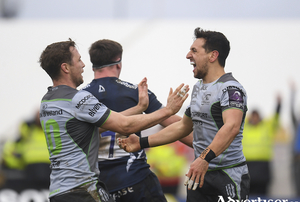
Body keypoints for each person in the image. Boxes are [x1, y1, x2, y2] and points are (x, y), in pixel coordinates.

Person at [38, 39, 188, 202]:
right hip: (83, 190)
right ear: (65, 68)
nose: (83, 65)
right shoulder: (78, 99)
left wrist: (138, 108)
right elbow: (125, 125)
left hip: (58, 191)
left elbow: (91, 129)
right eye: (78, 60)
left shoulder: (47, 102)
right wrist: (168, 110)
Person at [118, 27, 250, 202]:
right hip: (199, 174)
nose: (188, 55)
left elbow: (231, 127)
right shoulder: (198, 88)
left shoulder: (231, 89)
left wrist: (204, 158)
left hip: (227, 174)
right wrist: (141, 142)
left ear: (213, 56)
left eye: (194, 51)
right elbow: (182, 127)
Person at [83, 39, 193, 202]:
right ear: (118, 63)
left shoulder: (80, 98)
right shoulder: (137, 92)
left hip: (99, 187)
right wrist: (211, 147)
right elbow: (176, 125)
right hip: (136, 180)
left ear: (93, 65)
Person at [1, 110, 51, 192]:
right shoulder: (27, 132)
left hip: (49, 168)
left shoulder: (54, 132)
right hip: (30, 170)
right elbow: (9, 151)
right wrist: (17, 159)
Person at [242, 95, 282, 197]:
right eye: (253, 116)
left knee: (262, 193)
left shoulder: (266, 126)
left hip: (263, 165)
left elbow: (276, 118)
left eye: (257, 116)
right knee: (247, 193)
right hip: (247, 165)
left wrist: (279, 105)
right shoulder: (244, 127)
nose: (255, 118)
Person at [290, 81, 300, 197]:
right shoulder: (296, 124)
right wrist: (293, 93)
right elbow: (291, 110)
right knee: (297, 185)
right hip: (296, 159)